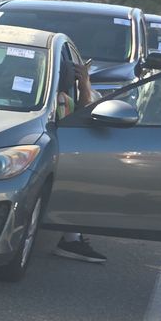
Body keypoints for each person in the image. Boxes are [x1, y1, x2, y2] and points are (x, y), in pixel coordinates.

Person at [52, 49, 107, 264]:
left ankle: (72, 239)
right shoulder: (57, 99)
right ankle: (71, 240)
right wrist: (85, 83)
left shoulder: (63, 100)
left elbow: (84, 114)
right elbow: (85, 114)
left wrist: (84, 83)